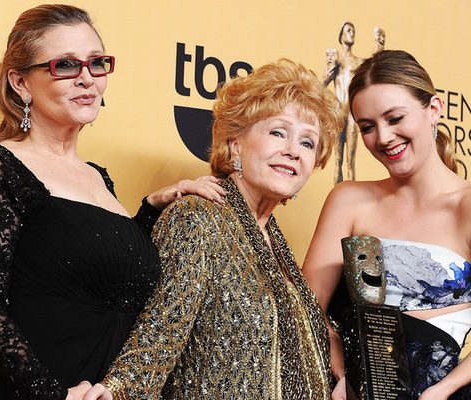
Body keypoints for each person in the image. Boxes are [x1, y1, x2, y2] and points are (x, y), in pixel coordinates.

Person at [0, 5, 224, 400]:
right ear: (21, 83)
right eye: (66, 66)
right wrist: (51, 394)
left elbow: (102, 281)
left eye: (97, 63)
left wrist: (150, 208)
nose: (87, 79)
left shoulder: (97, 176)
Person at [82, 59, 344, 400]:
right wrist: (117, 392)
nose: (293, 151)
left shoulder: (275, 244)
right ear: (235, 144)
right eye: (278, 132)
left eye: (307, 143)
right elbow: (162, 330)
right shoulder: (197, 217)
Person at [303, 50, 471, 400]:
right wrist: (345, 374)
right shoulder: (347, 200)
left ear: (434, 109)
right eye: (367, 127)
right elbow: (308, 305)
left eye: (395, 118)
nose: (384, 137)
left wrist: (444, 389)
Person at [323, 22, 366, 184]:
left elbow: (376, 63)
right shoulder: (335, 60)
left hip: (352, 115)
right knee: (337, 161)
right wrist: (327, 78)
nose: (352, 33)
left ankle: (351, 204)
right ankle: (337, 201)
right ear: (341, 36)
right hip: (338, 112)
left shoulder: (358, 62)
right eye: (348, 30)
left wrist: (379, 43)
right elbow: (321, 87)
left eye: (353, 30)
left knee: (350, 162)